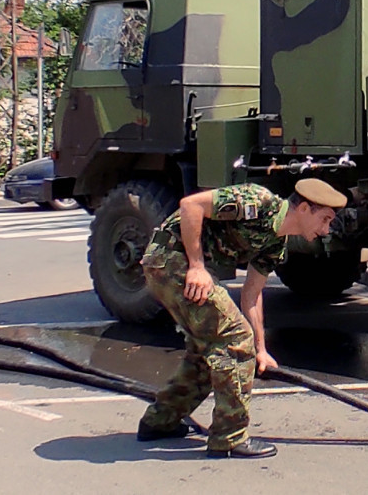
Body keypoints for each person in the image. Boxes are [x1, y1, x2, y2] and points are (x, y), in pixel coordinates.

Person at [135, 178, 347, 459]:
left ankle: (160, 421)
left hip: (174, 266)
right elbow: (190, 205)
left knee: (208, 348)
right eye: (325, 219)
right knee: (235, 338)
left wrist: (261, 349)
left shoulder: (276, 244)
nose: (325, 230)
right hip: (171, 258)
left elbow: (252, 295)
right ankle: (229, 437)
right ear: (305, 209)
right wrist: (197, 267)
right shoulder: (257, 201)